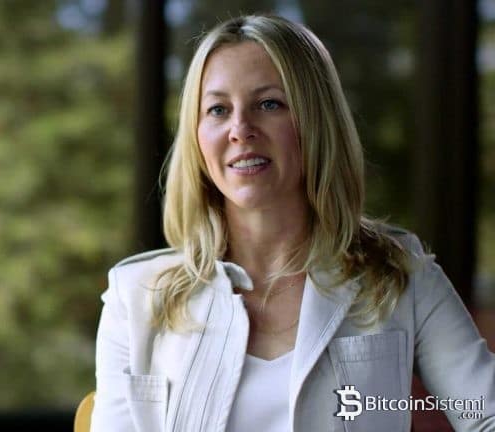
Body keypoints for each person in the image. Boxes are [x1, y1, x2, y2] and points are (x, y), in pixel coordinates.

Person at [90, 13, 495, 432]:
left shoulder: (399, 275)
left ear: (316, 122)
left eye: (269, 104)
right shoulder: (136, 296)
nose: (240, 130)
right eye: (218, 109)